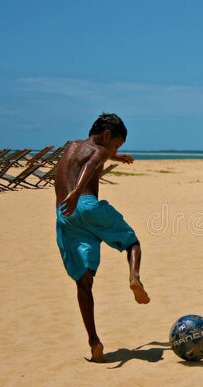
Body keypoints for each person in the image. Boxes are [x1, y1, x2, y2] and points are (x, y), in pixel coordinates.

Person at [54, 113, 150, 363]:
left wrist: (115, 155)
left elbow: (87, 158)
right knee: (131, 242)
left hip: (65, 216)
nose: (115, 149)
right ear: (107, 135)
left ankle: (94, 342)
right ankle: (134, 277)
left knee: (83, 281)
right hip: (84, 204)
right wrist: (76, 192)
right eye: (116, 145)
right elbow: (92, 163)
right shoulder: (98, 150)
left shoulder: (72, 147)